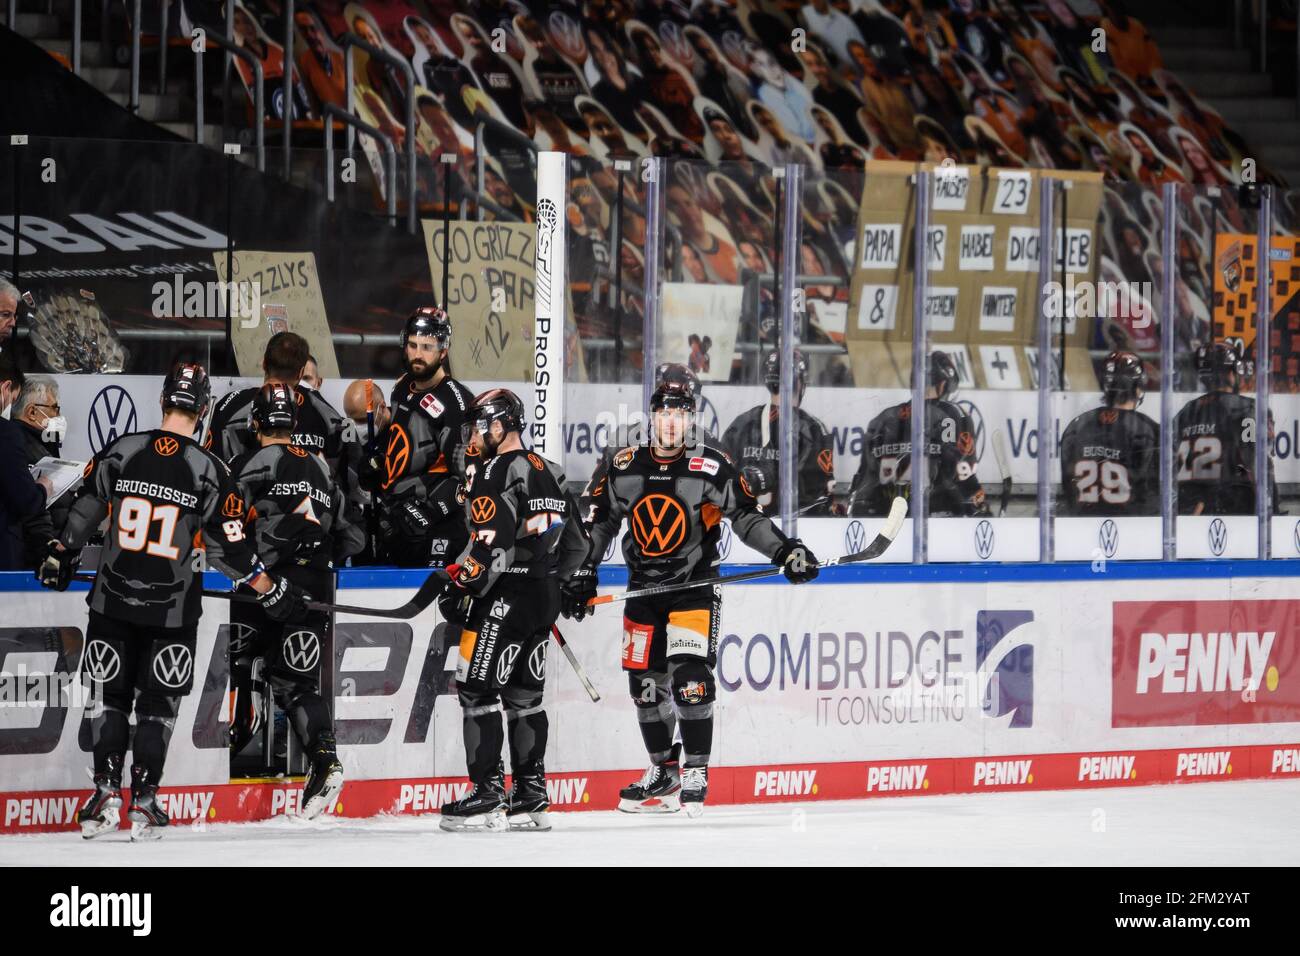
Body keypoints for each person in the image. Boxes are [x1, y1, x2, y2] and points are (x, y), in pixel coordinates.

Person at [36, 363, 308, 840]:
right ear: (203, 411)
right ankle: (143, 799)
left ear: (164, 403)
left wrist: (61, 551)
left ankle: (103, 793)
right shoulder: (209, 469)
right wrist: (270, 589)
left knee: (110, 699)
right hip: (173, 609)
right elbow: (228, 551)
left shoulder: (123, 450)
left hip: (111, 602)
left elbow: (85, 509)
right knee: (157, 705)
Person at [565, 375, 820, 816]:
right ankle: (663, 770)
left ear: (690, 420)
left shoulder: (712, 466)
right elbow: (602, 521)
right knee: (645, 687)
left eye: (680, 415)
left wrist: (785, 550)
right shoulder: (625, 466)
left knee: (689, 678)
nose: (670, 423)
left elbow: (745, 517)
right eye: (664, 414)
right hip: (642, 589)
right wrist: (582, 568)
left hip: (693, 589)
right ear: (652, 418)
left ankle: (696, 769)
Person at [437, 389, 590, 831]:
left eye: (480, 425)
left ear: (500, 425)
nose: (475, 435)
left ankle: (487, 793)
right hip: (542, 597)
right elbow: (578, 545)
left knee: (477, 691)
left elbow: (491, 544)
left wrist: (462, 582)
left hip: (504, 596)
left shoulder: (496, 470)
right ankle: (530, 793)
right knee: (524, 696)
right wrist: (558, 584)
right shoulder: (554, 471)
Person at [228, 383, 363, 818]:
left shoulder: (249, 462)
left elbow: (225, 524)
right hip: (315, 587)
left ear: (255, 423)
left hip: (264, 585)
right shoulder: (323, 468)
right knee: (295, 682)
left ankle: (229, 752)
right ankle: (325, 761)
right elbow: (353, 534)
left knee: (236, 661)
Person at [364, 307, 475, 567]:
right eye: (413, 345)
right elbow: (403, 440)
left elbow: (470, 474)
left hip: (436, 529)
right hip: (396, 517)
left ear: (443, 352)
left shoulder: (456, 403)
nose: (418, 354)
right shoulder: (402, 387)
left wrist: (431, 510)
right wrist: (378, 462)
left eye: (427, 347)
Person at [848, 351, 990, 517]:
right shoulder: (953, 415)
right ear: (943, 385)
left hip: (887, 518)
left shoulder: (884, 418)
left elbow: (865, 479)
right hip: (937, 518)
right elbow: (962, 470)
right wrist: (980, 509)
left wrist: (857, 511)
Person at [721, 349, 836, 516]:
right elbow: (819, 495)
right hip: (793, 530)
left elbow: (721, 481)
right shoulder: (812, 429)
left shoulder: (741, 424)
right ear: (799, 382)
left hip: (742, 525)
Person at [1173, 343, 1268, 516]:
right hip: (1233, 510)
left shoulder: (1186, 411)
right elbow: (1256, 463)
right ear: (1231, 374)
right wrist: (1271, 508)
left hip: (1189, 509)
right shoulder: (1246, 408)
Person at [1060, 351, 1159, 516]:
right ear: (1138, 388)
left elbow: (1068, 487)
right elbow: (1153, 492)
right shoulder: (1147, 429)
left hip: (1081, 525)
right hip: (1133, 529)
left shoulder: (1077, 426)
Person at [0, 355, 52, 570]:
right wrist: (43, 489)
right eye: (12, 400)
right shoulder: (6, 433)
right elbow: (25, 500)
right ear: (6, 387)